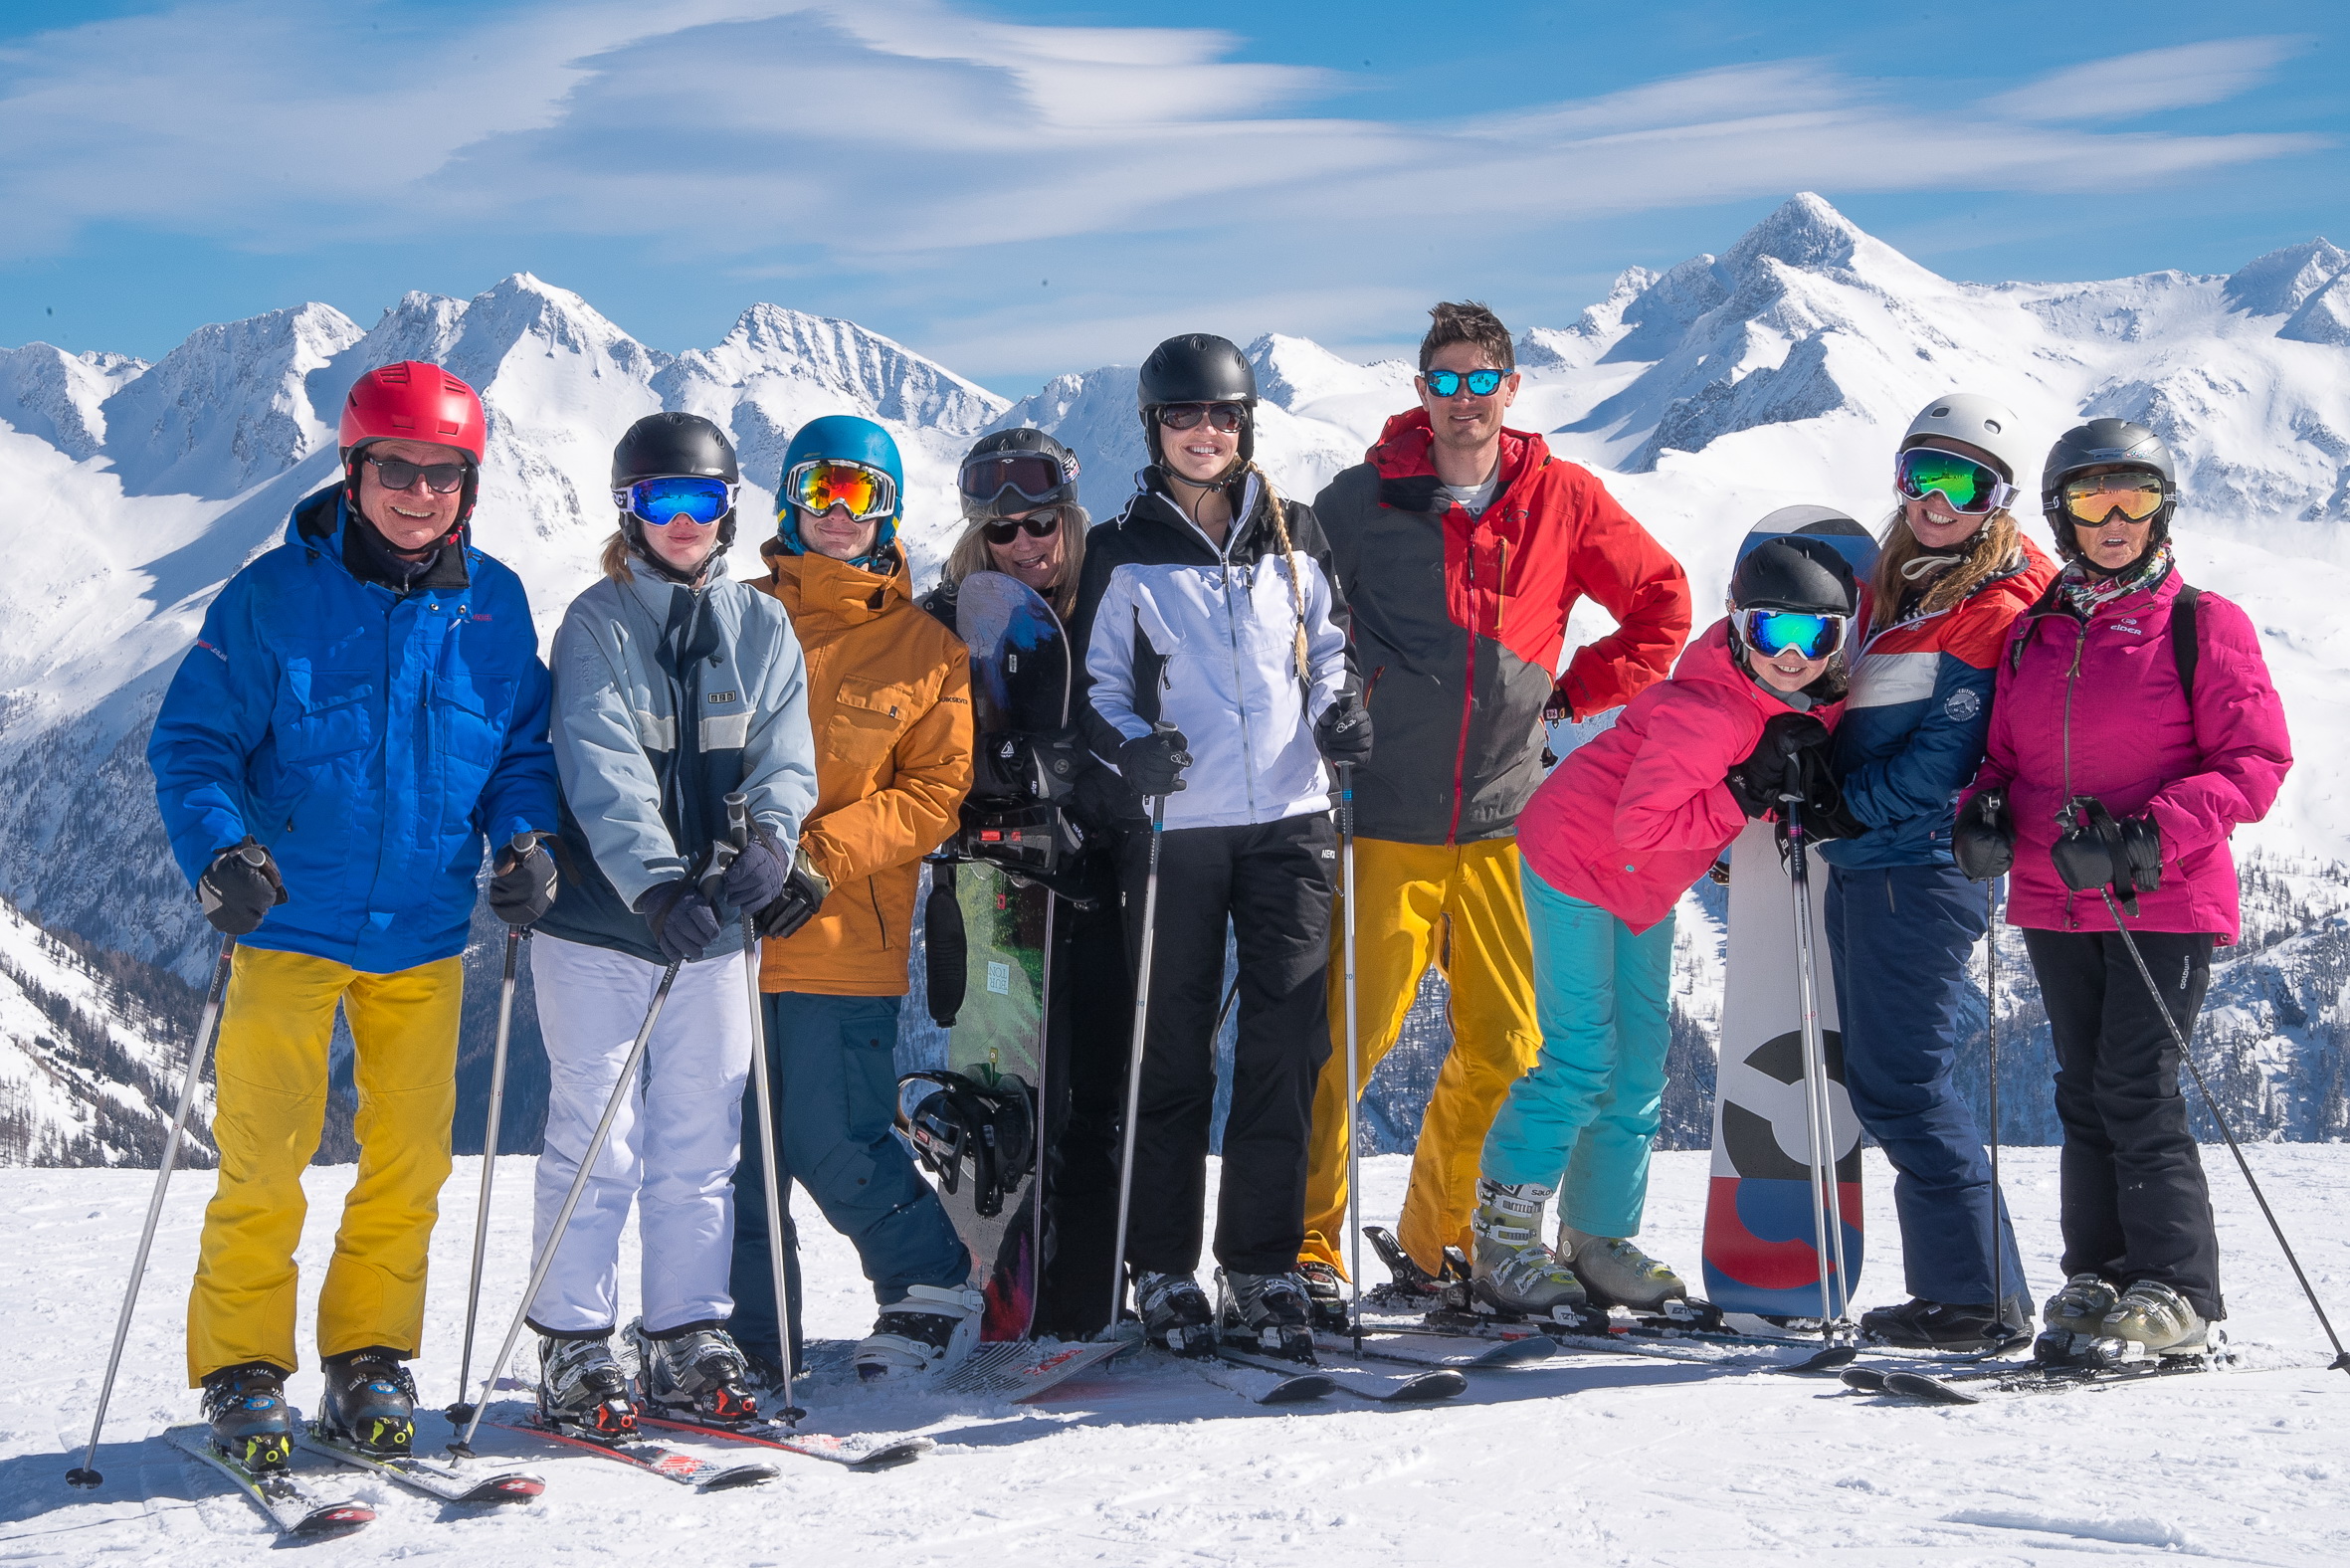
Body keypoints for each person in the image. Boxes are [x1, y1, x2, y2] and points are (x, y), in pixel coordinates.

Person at [148, 361, 557, 1466]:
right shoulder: (272, 596)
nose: (420, 492)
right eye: (398, 468)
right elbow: (193, 743)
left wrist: (527, 838)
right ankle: (243, 1369)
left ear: (470, 485)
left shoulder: (497, 605)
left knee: (409, 1165)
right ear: (354, 468)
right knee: (264, 1157)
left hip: (423, 933)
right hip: (286, 924)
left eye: (445, 472)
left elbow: (521, 750)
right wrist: (219, 848)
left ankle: (368, 1356)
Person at [1300, 301, 1691, 1318]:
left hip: (1504, 821)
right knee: (1345, 1041)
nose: (1464, 399)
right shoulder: (1359, 501)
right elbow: (1289, 610)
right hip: (1380, 815)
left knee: (1508, 1046)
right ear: (1420, 389)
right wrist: (1332, 702)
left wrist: (1572, 693)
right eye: (1446, 380)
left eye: (1483, 380)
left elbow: (1662, 606)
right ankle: (1305, 1246)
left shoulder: (1561, 498)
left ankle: (1443, 1243)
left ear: (1512, 387)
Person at [1957, 419, 2290, 1356]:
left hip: (2164, 896)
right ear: (2060, 514)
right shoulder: (2035, 633)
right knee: (2082, 1091)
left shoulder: (2200, 623)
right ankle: (2097, 1277)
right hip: (2057, 896)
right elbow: (2005, 756)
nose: (2114, 518)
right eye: (2092, 498)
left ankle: (2179, 1292)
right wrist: (1985, 811)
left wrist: (2146, 839)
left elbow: (2255, 762)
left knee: (2138, 1087)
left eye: (2135, 497)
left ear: (2162, 510)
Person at [1472, 528, 1863, 1323]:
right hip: (1580, 861)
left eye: (1814, 635)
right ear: (1737, 622)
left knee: (1641, 1064)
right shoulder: (1706, 715)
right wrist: (1746, 791)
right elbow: (1640, 828)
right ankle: (1503, 1238)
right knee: (1582, 1055)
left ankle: (1597, 1239)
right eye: (1770, 630)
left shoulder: (1789, 694)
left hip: (1638, 888)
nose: (1792, 654)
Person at [525, 412, 817, 1434]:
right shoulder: (597, 622)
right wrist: (654, 884)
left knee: (701, 1140)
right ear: (628, 512)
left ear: (730, 507)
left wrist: (771, 845)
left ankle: (683, 1333)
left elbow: (786, 756)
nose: (682, 521)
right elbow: (599, 763)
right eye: (660, 501)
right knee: (597, 1137)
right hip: (604, 925)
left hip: (715, 932)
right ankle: (572, 1343)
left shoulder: (763, 627)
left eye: (700, 500)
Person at [1072, 332, 1358, 1361]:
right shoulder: (1121, 546)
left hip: (1290, 818)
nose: (1206, 433)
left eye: (1223, 416)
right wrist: (1130, 748)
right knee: (1173, 1049)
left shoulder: (1296, 533)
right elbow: (1096, 690)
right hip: (1175, 825)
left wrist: (1341, 716)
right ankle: (1160, 1264)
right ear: (1154, 428)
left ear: (1247, 426)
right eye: (1185, 416)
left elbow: (1329, 652)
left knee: (1286, 1045)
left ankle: (1260, 1261)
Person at [730, 414, 981, 1382]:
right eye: (820, 489)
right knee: (734, 1155)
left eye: (861, 494)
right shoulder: (731, 615)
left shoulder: (923, 649)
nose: (838, 513)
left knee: (832, 1136)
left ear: (889, 512)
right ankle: (751, 1335)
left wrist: (814, 856)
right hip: (724, 931)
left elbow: (933, 793)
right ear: (788, 499)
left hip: (839, 932)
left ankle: (931, 1283)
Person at [1821, 395, 2057, 1351]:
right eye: (1921, 473)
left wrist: (1845, 803)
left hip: (1916, 866)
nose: (1935, 499)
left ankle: (1981, 1298)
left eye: (1964, 484)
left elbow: (1943, 762)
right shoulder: (1896, 585)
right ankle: (1960, 1289)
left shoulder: (1993, 610)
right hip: (1867, 862)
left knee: (1905, 1084)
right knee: (1888, 1080)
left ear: (1997, 502)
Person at [921, 427, 1135, 1337]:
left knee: (1099, 1092)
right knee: (1006, 1099)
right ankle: (1002, 1279)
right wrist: (984, 781)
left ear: (1069, 519)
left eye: (1041, 524)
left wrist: (1094, 778)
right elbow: (922, 743)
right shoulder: (945, 620)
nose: (1025, 547)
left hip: (1103, 880)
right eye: (1002, 535)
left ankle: (1088, 1290)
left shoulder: (1113, 607)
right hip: (995, 888)